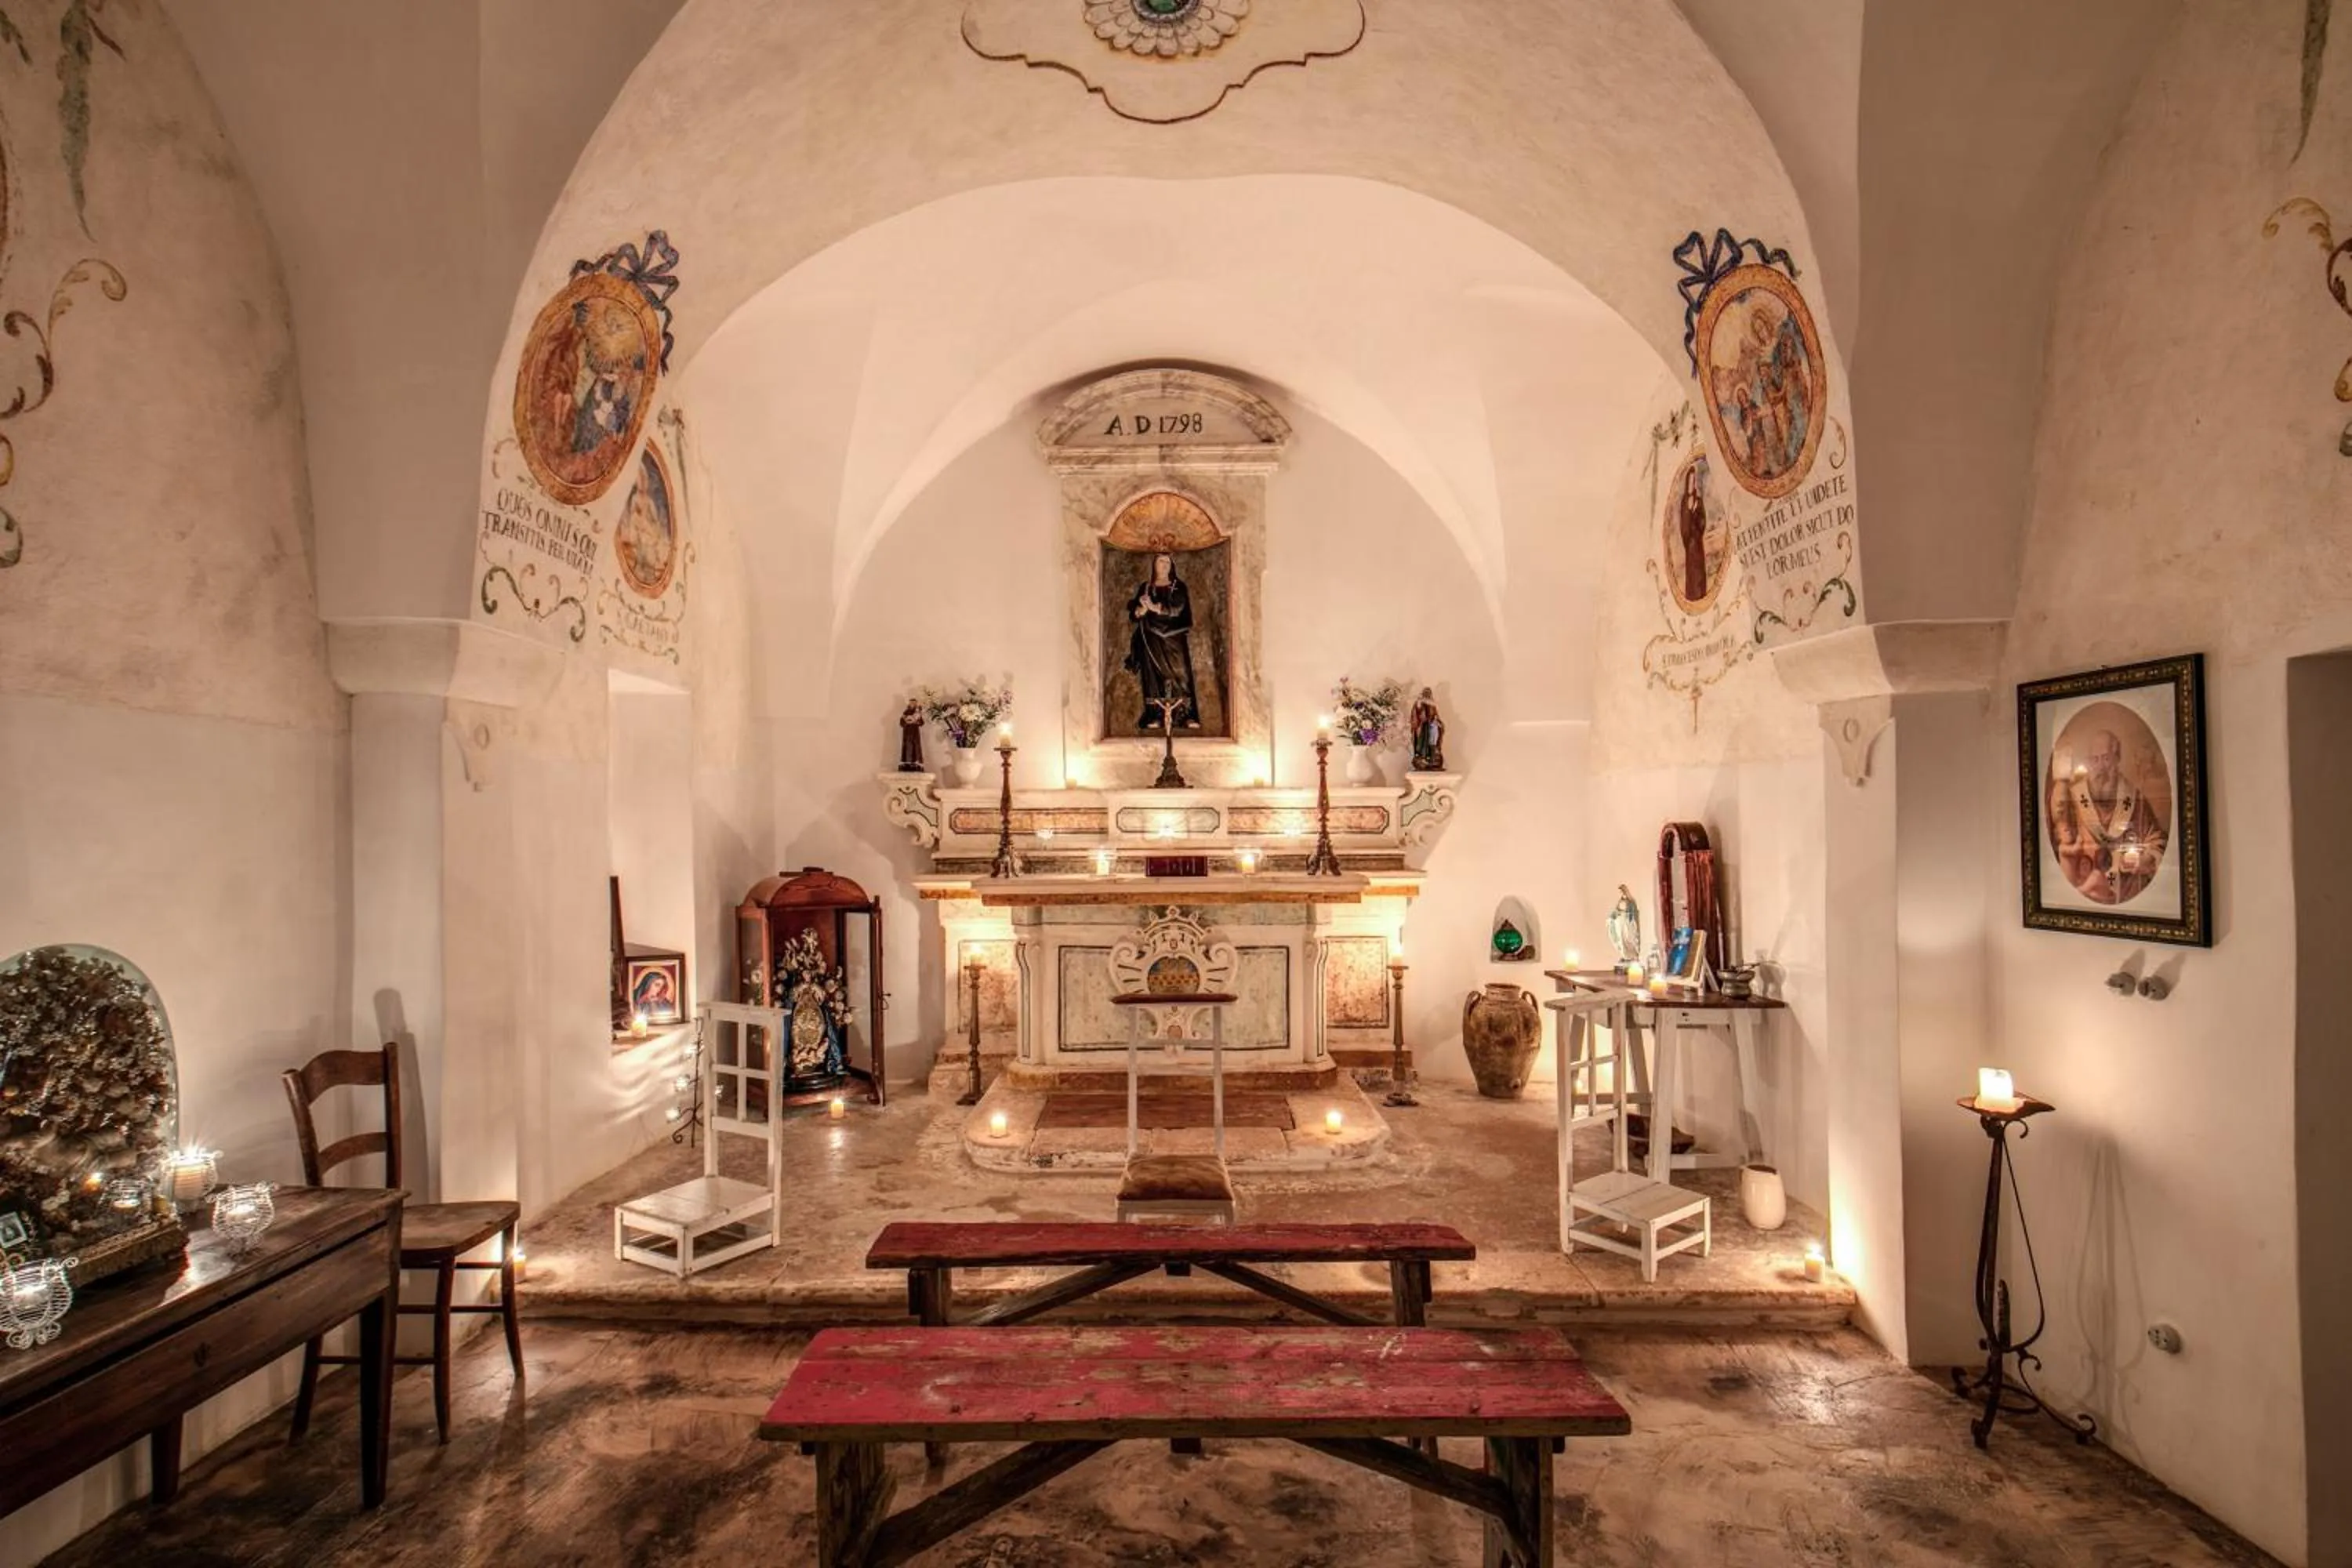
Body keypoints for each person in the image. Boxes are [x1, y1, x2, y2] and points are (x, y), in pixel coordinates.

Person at [2049, 729, 2167, 904]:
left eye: (2106, 758)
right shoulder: (2072, 799)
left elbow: (2157, 840)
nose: (2100, 767)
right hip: (2083, 895)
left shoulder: (2135, 800)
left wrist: (2147, 858)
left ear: (2117, 759)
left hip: (2128, 894)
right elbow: (2057, 831)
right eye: (2095, 760)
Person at [1123, 551, 1200, 729]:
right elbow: (1136, 613)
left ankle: (1185, 714)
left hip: (1174, 637)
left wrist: (1155, 607)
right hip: (1151, 637)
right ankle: (1156, 715)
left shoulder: (1178, 586)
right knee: (1152, 676)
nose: (1164, 565)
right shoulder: (1146, 587)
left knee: (1181, 674)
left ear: (1172, 566)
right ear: (1154, 566)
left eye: (1167, 562)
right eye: (1161, 562)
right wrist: (1142, 608)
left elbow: (1178, 608)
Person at [1675, 459, 1711, 606]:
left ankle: (1701, 592)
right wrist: (1690, 511)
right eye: (1689, 481)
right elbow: (1684, 527)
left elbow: (1703, 521)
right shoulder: (1685, 503)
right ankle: (1693, 595)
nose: (1692, 484)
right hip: (1691, 546)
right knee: (1692, 573)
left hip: (1697, 544)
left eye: (1693, 481)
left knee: (1700, 573)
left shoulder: (1698, 499)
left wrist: (1697, 511)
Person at [1410, 688, 1446, 771]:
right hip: (1422, 727)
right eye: (1426, 693)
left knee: (1433, 741)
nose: (1427, 695)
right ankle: (1423, 757)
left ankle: (1433, 758)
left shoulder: (1432, 704)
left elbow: (1435, 715)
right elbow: (1416, 714)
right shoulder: (1419, 702)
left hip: (1431, 726)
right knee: (1423, 742)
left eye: (1429, 693)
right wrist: (1419, 703)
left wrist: (1438, 722)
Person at [896, 699, 927, 772]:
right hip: (907, 732)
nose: (912, 704)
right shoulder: (906, 712)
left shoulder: (917, 712)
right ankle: (907, 761)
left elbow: (922, 723)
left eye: (914, 703)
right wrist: (906, 721)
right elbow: (901, 722)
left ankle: (916, 761)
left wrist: (917, 721)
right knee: (907, 746)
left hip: (915, 731)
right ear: (909, 704)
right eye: (911, 703)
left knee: (916, 746)